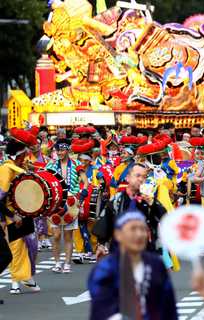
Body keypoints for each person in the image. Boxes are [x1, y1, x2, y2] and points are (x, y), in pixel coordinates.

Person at [88, 210, 177, 320]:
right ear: (118, 234)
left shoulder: (156, 265)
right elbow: (100, 310)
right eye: (133, 229)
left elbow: (169, 309)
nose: (139, 234)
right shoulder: (105, 269)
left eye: (143, 229)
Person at [93, 163, 167, 259]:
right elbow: (105, 223)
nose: (141, 179)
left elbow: (164, 217)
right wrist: (101, 245)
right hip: (120, 251)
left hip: (146, 252)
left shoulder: (149, 200)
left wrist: (152, 203)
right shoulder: (117, 200)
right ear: (128, 178)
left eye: (144, 177)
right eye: (137, 175)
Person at [0, 130, 41, 294]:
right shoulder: (6, 170)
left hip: (25, 212)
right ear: (18, 154)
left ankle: (27, 276)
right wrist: (9, 216)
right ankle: (15, 281)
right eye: (24, 154)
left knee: (30, 246)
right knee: (16, 248)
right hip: (12, 215)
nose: (26, 157)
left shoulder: (20, 167)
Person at [46, 138, 81, 274]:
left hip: (72, 203)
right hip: (55, 202)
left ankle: (67, 263)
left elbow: (84, 180)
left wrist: (81, 193)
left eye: (62, 150)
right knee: (55, 235)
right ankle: (56, 262)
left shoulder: (76, 164)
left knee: (68, 235)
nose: (59, 153)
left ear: (67, 150)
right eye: (57, 150)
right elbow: (45, 179)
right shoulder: (51, 165)